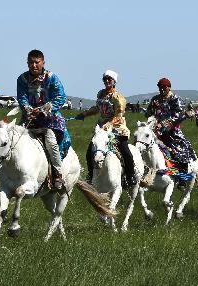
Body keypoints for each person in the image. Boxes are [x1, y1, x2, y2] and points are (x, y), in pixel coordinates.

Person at [17, 49, 71, 190]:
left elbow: (60, 97)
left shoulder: (52, 78)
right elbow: (22, 98)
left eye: (36, 62)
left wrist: (42, 110)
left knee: (51, 140)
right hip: (29, 117)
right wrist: (29, 109)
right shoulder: (22, 79)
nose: (33, 65)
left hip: (50, 119)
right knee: (14, 137)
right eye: (30, 62)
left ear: (43, 62)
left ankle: (58, 173)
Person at [75, 70, 138, 186]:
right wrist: (84, 114)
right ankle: (91, 175)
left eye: (110, 79)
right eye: (105, 79)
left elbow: (119, 115)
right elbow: (97, 108)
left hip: (117, 127)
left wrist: (109, 123)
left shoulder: (118, 97)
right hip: (102, 128)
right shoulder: (100, 94)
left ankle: (130, 175)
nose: (107, 81)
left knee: (125, 150)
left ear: (114, 81)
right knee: (90, 151)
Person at [145, 78, 196, 174]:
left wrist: (163, 123)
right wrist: (153, 107)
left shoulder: (175, 98)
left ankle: (183, 174)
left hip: (172, 130)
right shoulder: (155, 99)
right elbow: (147, 114)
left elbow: (178, 114)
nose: (162, 89)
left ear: (169, 87)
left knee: (180, 150)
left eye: (164, 87)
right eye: (160, 87)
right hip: (156, 130)